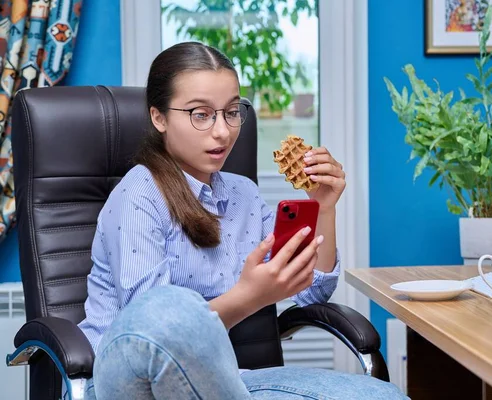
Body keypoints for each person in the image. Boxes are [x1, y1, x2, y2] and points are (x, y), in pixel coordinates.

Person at [78, 41, 408, 400]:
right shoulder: (138, 193)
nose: (222, 131)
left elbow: (314, 289)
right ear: (159, 117)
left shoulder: (243, 195)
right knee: (166, 310)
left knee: (383, 396)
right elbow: (157, 333)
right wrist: (249, 297)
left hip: (225, 379)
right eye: (201, 114)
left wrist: (324, 207)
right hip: (125, 383)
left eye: (231, 112)